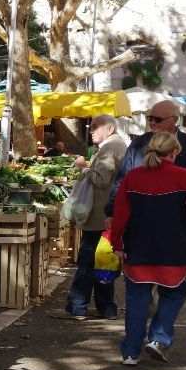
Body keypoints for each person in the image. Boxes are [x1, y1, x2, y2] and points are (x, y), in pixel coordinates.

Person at [111, 131, 186, 366]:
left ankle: (131, 353)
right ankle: (158, 338)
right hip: (175, 247)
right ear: (174, 152)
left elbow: (120, 214)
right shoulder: (184, 176)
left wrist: (118, 244)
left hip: (137, 246)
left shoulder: (133, 177)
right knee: (175, 292)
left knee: (137, 298)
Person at [107, 99, 186, 238]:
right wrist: (111, 212)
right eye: (150, 118)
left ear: (174, 120)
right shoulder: (138, 143)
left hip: (176, 225)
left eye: (157, 119)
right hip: (139, 224)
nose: (152, 123)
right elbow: (121, 180)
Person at [57, 114, 127, 320]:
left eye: (96, 127)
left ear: (110, 129)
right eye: (91, 126)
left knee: (88, 263)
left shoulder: (110, 147)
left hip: (100, 216)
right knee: (103, 262)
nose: (91, 130)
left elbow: (101, 179)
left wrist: (83, 167)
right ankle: (107, 308)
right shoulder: (117, 146)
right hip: (107, 215)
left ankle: (77, 306)